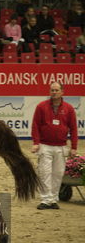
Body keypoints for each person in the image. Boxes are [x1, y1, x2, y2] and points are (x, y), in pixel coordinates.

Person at [31, 82, 78, 210]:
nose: (54, 92)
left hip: (61, 147)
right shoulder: (41, 106)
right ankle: (45, 200)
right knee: (44, 173)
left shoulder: (69, 108)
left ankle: (53, 199)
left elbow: (73, 129)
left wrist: (74, 147)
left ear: (62, 92)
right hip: (44, 146)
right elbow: (35, 125)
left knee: (58, 174)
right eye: (52, 90)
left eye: (57, 90)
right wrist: (36, 143)